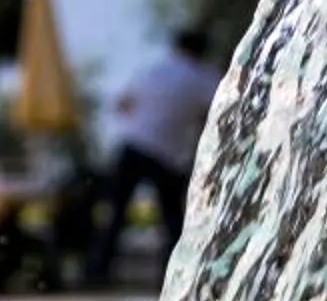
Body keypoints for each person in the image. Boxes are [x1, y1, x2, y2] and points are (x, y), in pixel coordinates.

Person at [84, 27, 224, 286]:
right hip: (166, 154)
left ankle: (96, 273)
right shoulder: (203, 77)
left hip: (132, 145)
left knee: (115, 214)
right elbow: (217, 113)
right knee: (172, 218)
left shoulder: (152, 69)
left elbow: (122, 104)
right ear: (202, 50)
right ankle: (172, 276)